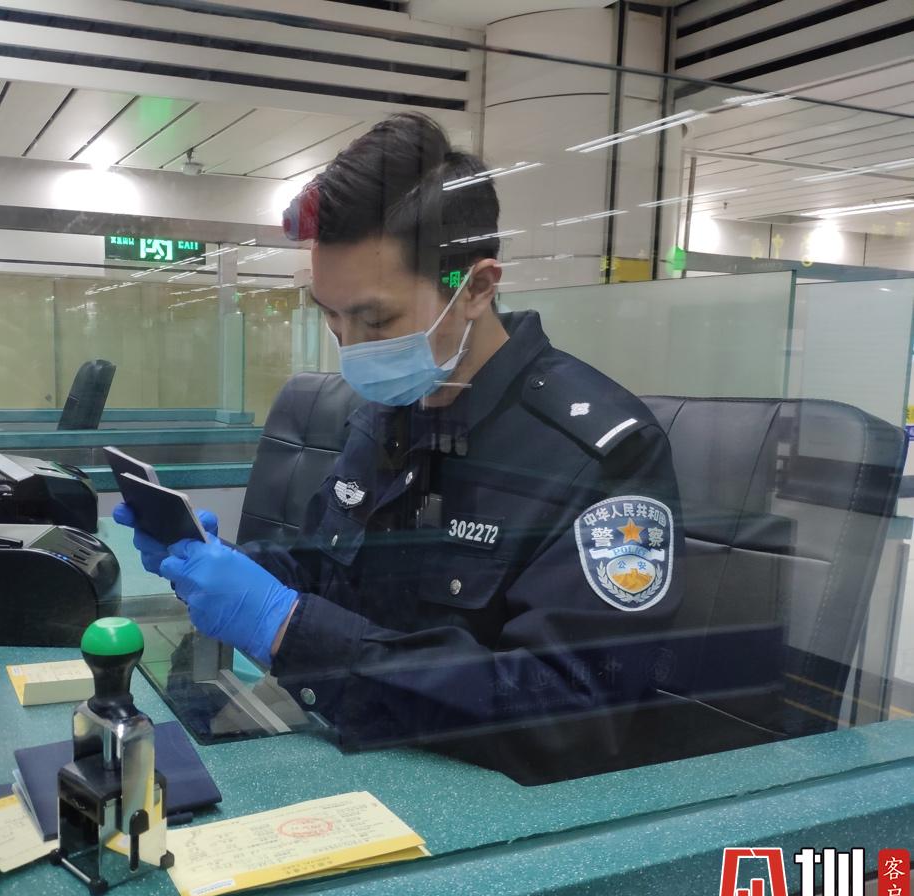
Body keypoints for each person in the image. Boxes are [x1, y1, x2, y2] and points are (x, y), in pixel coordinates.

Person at [116, 113, 684, 781]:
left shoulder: (597, 454)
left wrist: (286, 627)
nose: (349, 347)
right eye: (330, 314)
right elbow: (330, 572)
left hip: (483, 806)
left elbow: (570, 715)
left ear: (476, 288)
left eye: (376, 319)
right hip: (361, 760)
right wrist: (231, 568)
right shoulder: (389, 414)